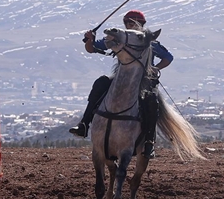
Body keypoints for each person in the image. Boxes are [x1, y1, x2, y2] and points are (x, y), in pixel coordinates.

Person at [69, 10, 173, 158]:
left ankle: (149, 141)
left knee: (151, 101)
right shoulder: (118, 39)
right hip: (121, 78)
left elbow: (168, 58)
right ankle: (84, 124)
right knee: (101, 83)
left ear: (141, 25)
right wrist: (90, 39)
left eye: (132, 23)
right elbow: (91, 49)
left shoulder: (149, 42)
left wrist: (155, 69)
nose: (129, 25)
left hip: (143, 81)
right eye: (127, 22)